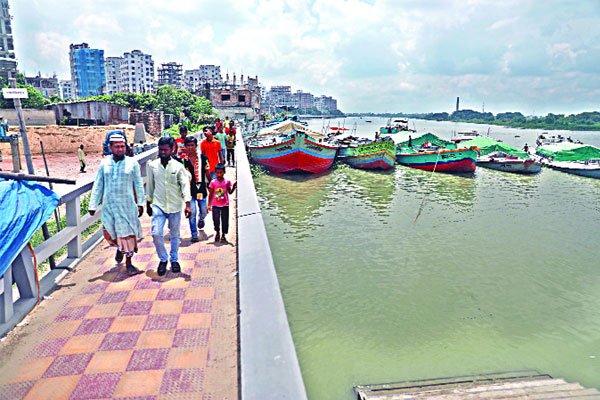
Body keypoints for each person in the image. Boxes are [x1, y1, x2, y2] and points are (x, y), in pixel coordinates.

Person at [89, 134, 144, 274]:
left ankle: (129, 263)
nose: (120, 149)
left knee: (128, 234)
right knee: (109, 232)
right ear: (110, 147)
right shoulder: (104, 164)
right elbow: (98, 184)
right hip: (110, 206)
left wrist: (141, 203)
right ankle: (120, 248)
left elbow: (138, 185)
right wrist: (92, 205)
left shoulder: (132, 163)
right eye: (117, 146)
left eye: (123, 146)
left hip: (127, 206)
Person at [146, 137, 192, 276]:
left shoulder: (178, 167)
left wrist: (188, 204)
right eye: (160, 149)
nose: (163, 152)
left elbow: (185, 185)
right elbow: (150, 185)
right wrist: (148, 202)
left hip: (175, 205)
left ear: (172, 150)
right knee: (156, 233)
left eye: (165, 150)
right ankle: (163, 259)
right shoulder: (153, 166)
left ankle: (174, 259)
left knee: (175, 235)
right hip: (158, 205)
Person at [182, 136, 211, 243]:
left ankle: (201, 219)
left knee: (204, 211)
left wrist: (211, 184)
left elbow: (207, 172)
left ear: (196, 146)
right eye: (188, 145)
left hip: (201, 189)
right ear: (185, 147)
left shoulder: (203, 158)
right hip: (189, 191)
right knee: (192, 212)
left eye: (192, 145)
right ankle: (194, 234)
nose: (190, 147)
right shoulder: (183, 161)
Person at [208, 163, 237, 243]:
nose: (219, 174)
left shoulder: (227, 182)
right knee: (216, 220)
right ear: (215, 172)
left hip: (225, 205)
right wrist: (209, 205)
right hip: (215, 205)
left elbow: (230, 192)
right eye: (217, 173)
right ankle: (217, 232)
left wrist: (234, 186)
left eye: (221, 172)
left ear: (224, 172)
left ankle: (223, 235)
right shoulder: (213, 182)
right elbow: (210, 194)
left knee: (225, 220)